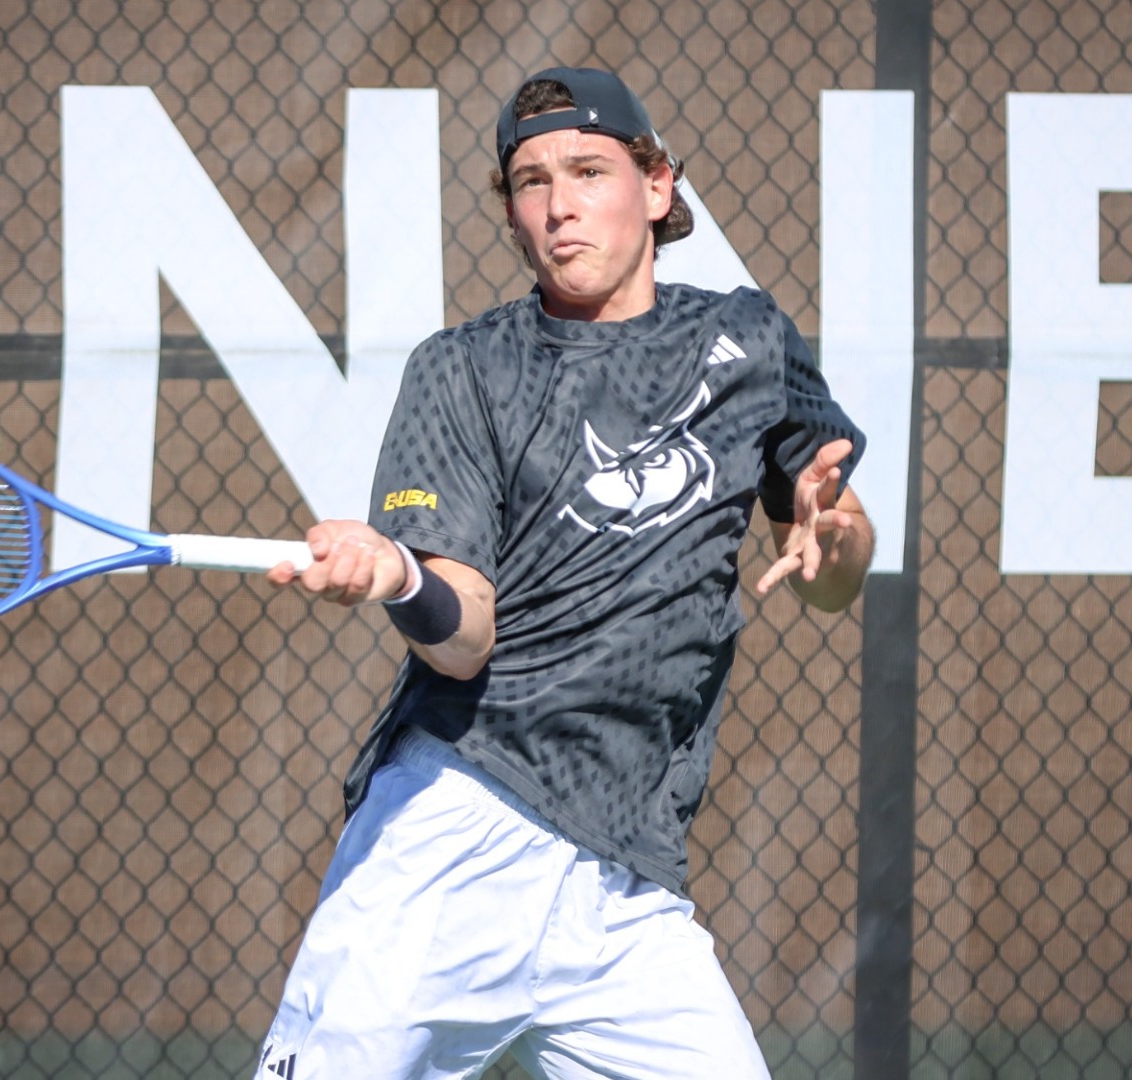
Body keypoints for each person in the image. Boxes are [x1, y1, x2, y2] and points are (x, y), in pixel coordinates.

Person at [256, 65, 874, 1080]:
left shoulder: (749, 342)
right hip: (459, 827)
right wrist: (399, 579)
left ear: (660, 186)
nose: (559, 203)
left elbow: (836, 569)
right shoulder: (463, 369)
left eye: (588, 170)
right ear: (510, 213)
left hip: (628, 884)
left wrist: (829, 530)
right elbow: (465, 639)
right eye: (531, 182)